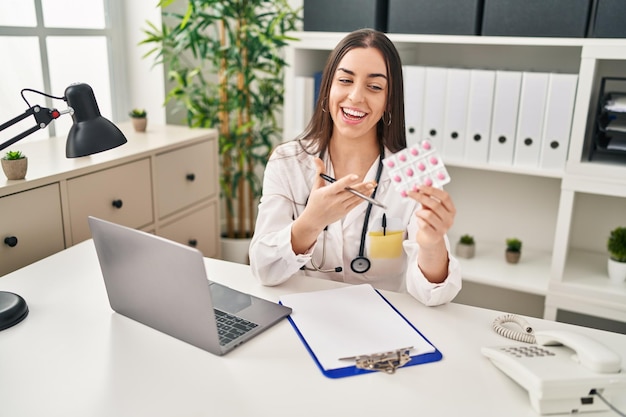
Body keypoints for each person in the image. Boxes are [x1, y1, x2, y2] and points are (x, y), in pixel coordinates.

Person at [249, 28, 461, 306]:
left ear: (389, 101)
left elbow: (435, 295)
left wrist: (432, 243)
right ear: (328, 88)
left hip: (383, 323)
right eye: (345, 80)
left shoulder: (416, 173)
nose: (356, 97)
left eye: (374, 87)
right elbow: (264, 270)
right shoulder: (288, 162)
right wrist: (310, 222)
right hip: (306, 317)